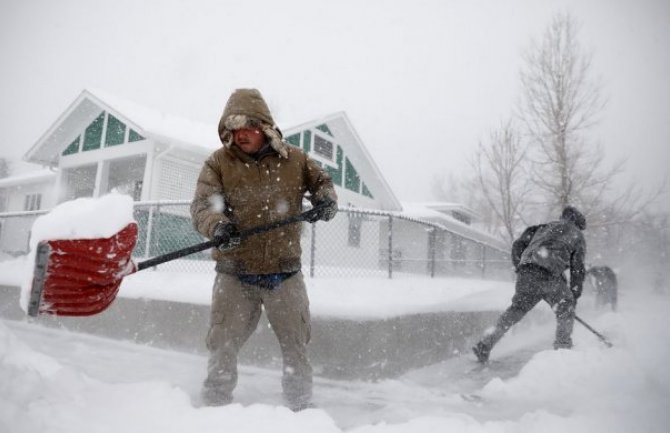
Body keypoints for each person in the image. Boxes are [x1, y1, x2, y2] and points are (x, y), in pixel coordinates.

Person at [190, 88, 338, 411]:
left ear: (265, 127)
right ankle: (214, 406)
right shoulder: (218, 163)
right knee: (222, 345)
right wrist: (218, 226)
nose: (240, 134)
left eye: (248, 126)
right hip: (235, 274)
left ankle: (300, 408)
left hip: (284, 274)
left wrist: (326, 200)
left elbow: (323, 182)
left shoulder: (295, 160)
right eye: (234, 127)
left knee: (296, 347)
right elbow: (202, 206)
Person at [472, 206, 587, 363]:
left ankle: (485, 344)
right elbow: (578, 269)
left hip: (526, 272)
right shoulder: (576, 234)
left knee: (515, 311)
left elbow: (518, 245)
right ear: (577, 223)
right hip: (548, 275)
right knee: (565, 309)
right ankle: (563, 351)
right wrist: (573, 295)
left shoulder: (542, 228)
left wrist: (522, 266)